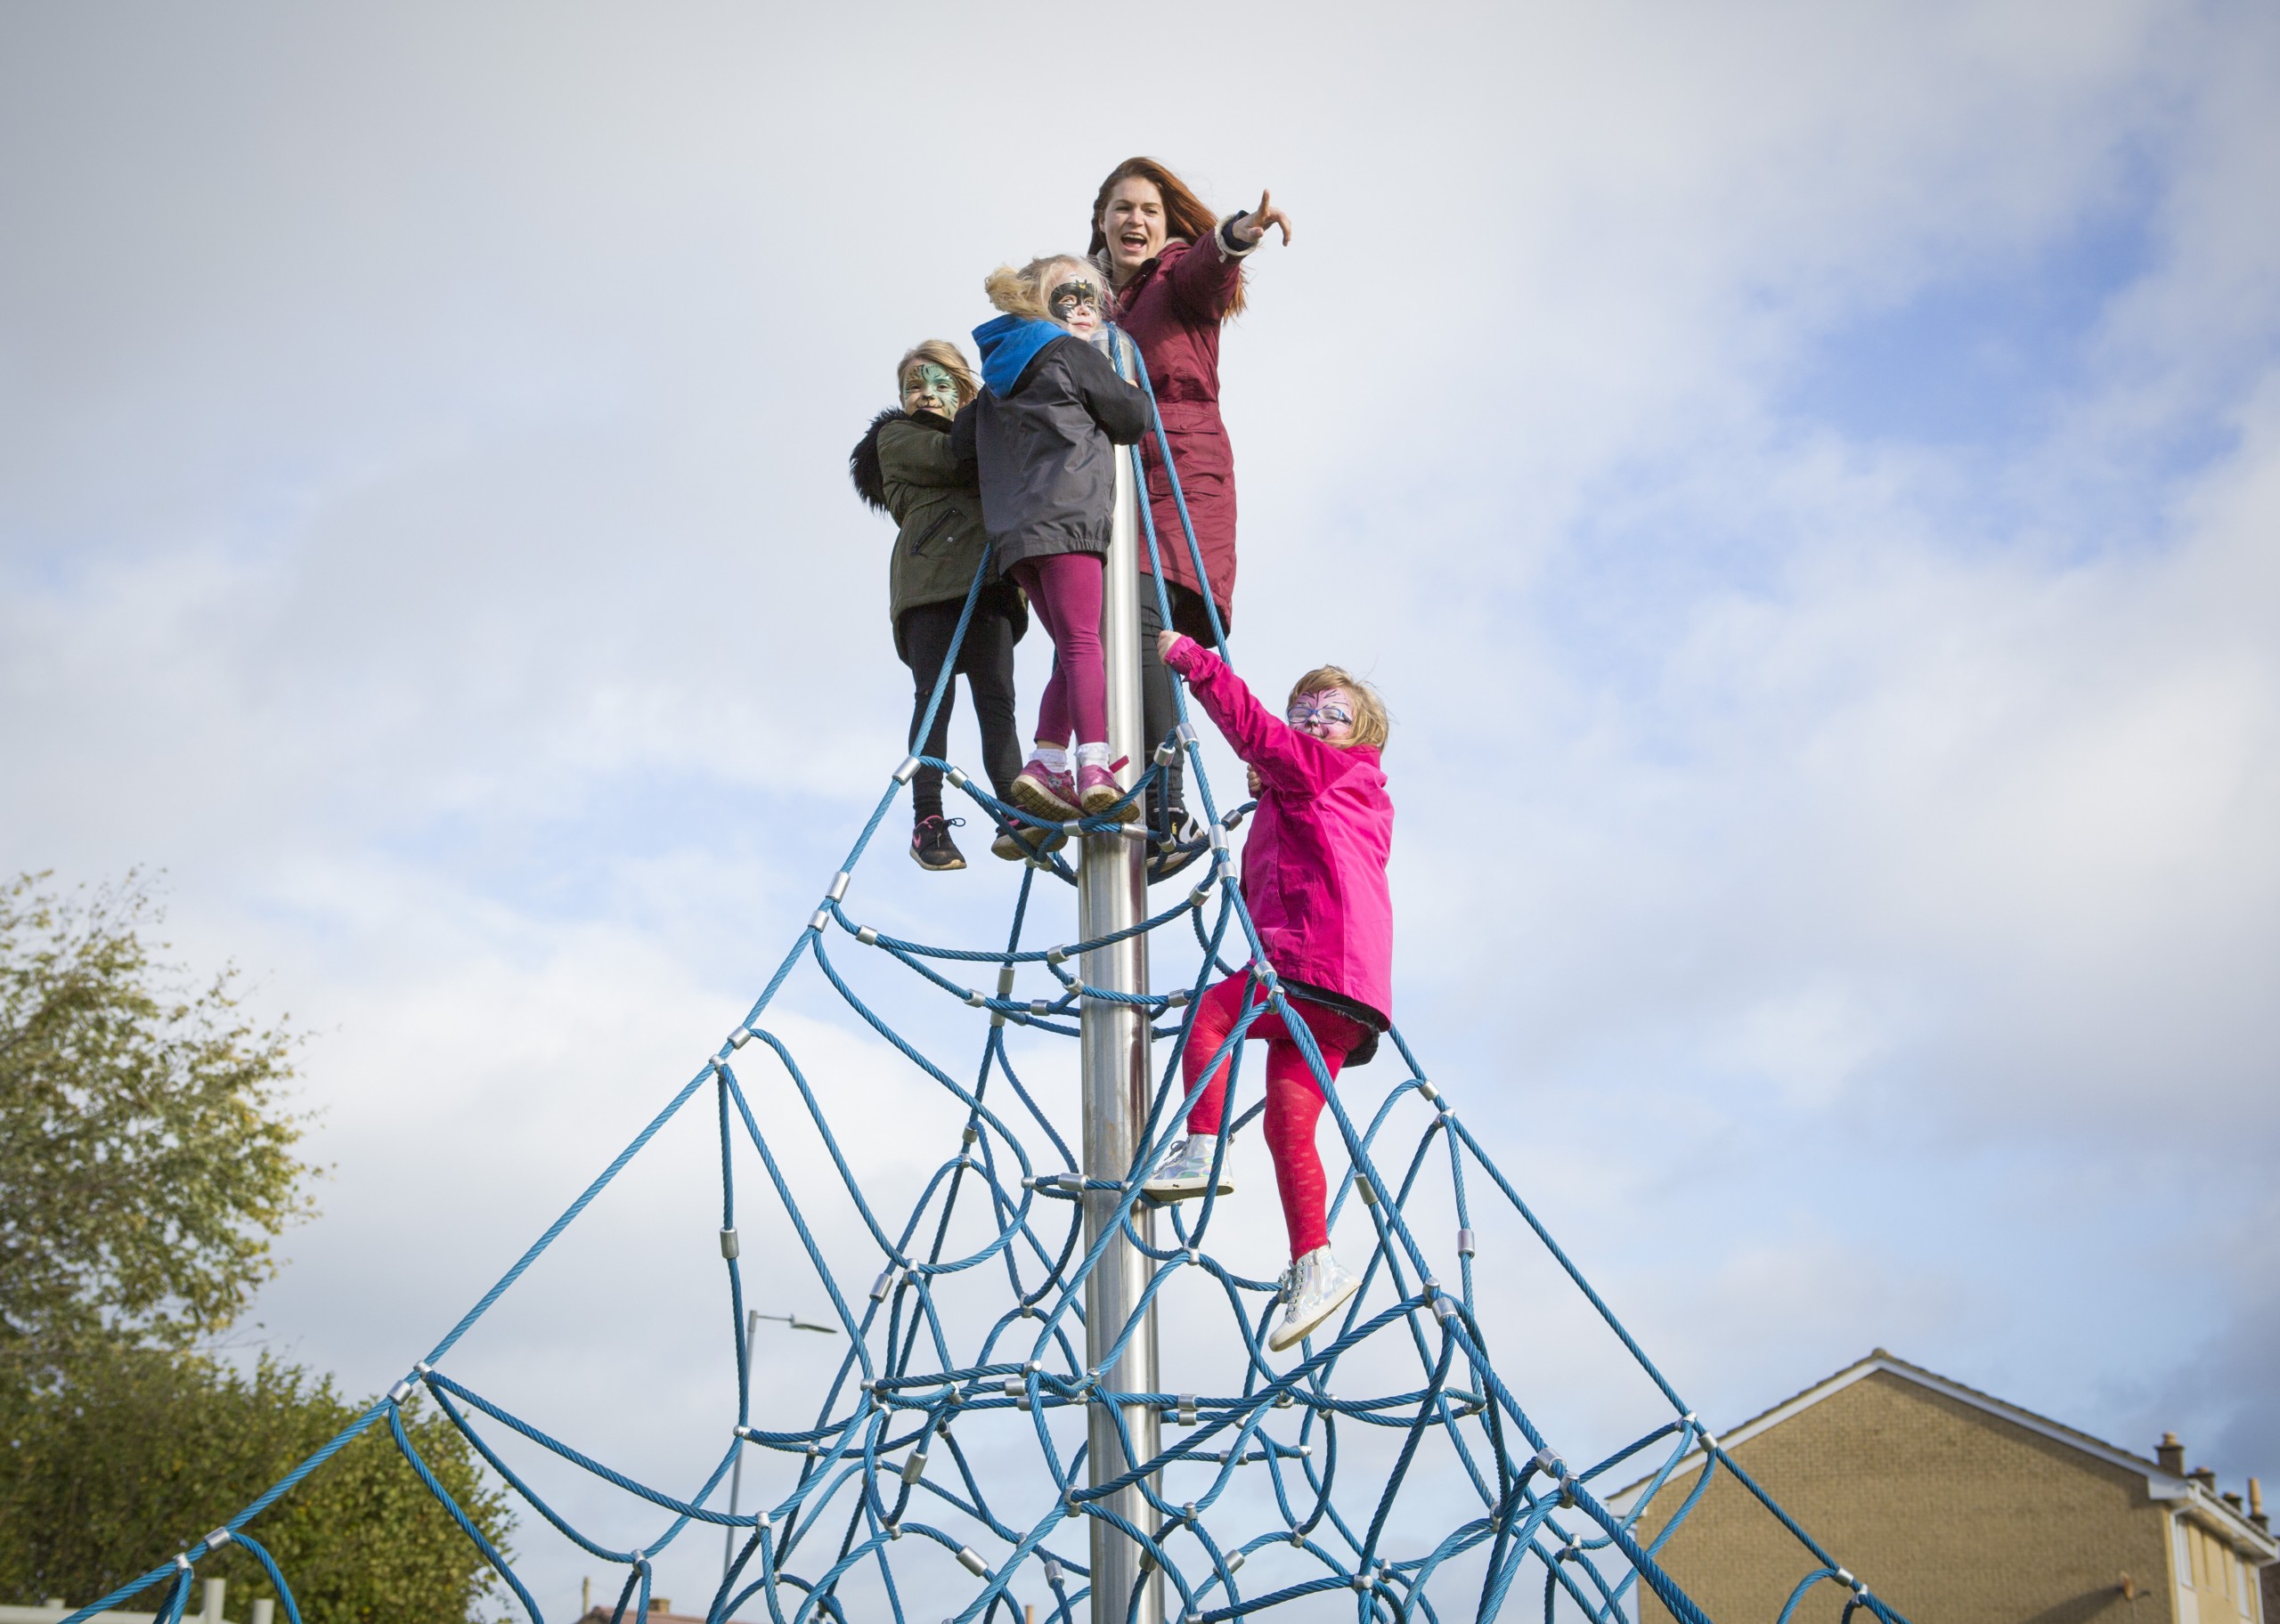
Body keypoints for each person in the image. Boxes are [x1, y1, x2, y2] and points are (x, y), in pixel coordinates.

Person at [1140, 631, 1393, 1353]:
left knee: (1208, 1015)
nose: (1314, 721)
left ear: (1361, 734)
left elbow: (1254, 729)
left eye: (1332, 713)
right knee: (1288, 1125)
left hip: (1311, 964)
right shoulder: (1345, 793)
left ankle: (1202, 1147)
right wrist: (1271, 791)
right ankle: (1316, 1263)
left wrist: (1196, 662)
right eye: (1303, 711)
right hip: (1348, 996)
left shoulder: (1325, 770)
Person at [1085, 158, 1293, 865]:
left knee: (1147, 623)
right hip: (1109, 486)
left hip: (1180, 474)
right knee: (1101, 633)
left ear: (1166, 223)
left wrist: (1237, 235)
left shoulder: (1175, 276)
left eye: (1148, 209)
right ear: (1101, 222)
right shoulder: (1085, 304)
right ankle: (1104, 781)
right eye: (1122, 208)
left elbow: (1211, 269)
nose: (1134, 220)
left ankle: (1166, 810)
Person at [951, 256, 1150, 829]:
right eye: (1071, 297)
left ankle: (1046, 761)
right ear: (1042, 305)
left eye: (1092, 299)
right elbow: (1130, 417)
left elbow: (961, 448)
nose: (1084, 309)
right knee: (1087, 643)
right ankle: (1095, 765)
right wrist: (1124, 381)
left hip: (1017, 537)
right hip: (1070, 516)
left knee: (1070, 643)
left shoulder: (996, 378)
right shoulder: (1069, 353)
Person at [849, 340, 1038, 869]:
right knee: (934, 697)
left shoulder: (987, 436)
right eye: (915, 386)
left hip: (988, 583)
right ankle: (927, 818)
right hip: (930, 580)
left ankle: (1014, 806)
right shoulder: (896, 439)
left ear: (960, 391)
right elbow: (950, 456)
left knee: (997, 701)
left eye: (940, 385)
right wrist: (993, 404)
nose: (926, 395)